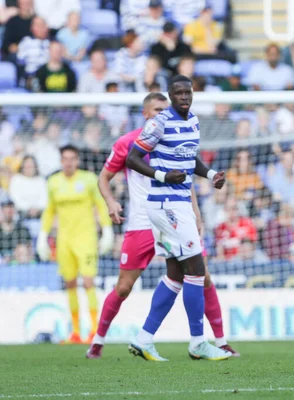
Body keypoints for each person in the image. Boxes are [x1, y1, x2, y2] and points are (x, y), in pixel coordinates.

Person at [86, 92, 239, 358]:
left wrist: (195, 213)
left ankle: (219, 341)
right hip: (142, 221)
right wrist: (110, 202)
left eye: (164, 109)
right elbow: (103, 178)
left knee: (201, 276)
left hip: (175, 217)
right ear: (145, 114)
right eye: (156, 110)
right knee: (124, 287)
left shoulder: (174, 137)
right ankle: (98, 341)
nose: (162, 114)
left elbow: (185, 177)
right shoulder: (127, 143)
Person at [125, 75, 232, 361]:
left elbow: (189, 157)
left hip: (179, 202)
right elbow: (132, 158)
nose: (184, 97)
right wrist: (162, 175)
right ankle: (198, 342)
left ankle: (144, 338)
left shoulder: (193, 121)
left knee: (175, 274)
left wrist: (211, 176)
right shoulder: (159, 122)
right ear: (171, 96)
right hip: (166, 204)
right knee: (197, 270)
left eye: (188, 92)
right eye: (179, 93)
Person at [36, 145, 114, 344]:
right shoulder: (53, 182)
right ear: (61, 161)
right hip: (64, 240)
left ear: (77, 160)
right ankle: (76, 333)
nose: (69, 162)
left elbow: (100, 204)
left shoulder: (88, 179)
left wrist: (106, 230)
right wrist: (42, 235)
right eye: (65, 159)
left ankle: (95, 331)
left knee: (88, 282)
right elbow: (49, 210)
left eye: (72, 158)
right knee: (69, 283)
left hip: (86, 238)